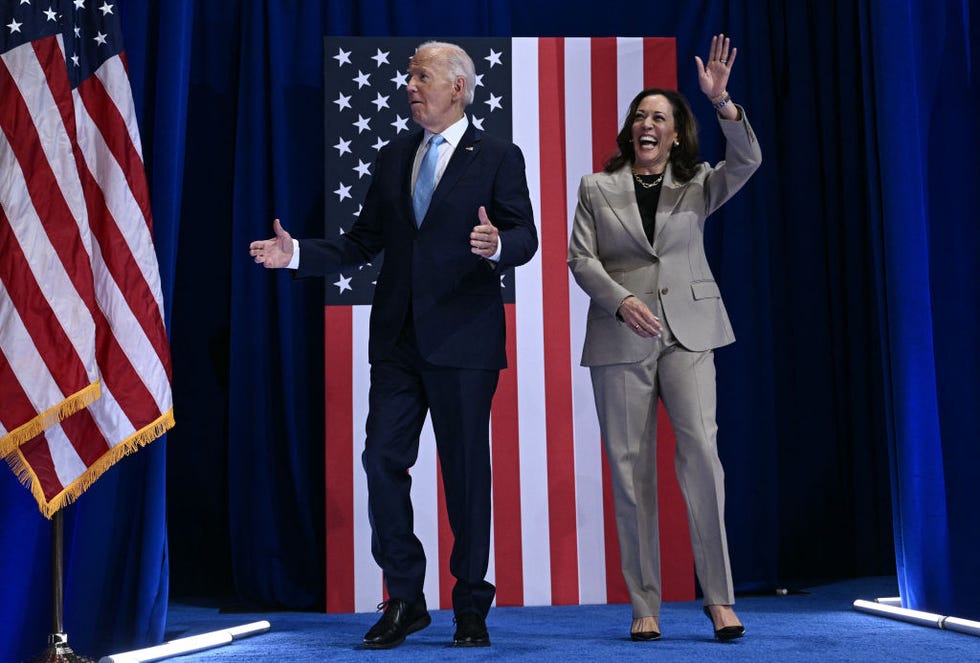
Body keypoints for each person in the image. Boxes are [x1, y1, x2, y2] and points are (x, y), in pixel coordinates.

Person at [250, 41, 537, 649]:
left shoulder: (498, 156)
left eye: (421, 76)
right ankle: (405, 598)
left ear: (458, 87)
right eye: (409, 76)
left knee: (463, 475)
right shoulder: (394, 154)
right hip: (399, 340)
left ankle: (470, 604)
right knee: (381, 458)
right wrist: (297, 254)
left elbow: (524, 235)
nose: (409, 85)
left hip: (464, 340)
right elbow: (361, 242)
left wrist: (498, 246)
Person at [566, 34, 761, 642]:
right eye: (640, 115)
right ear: (630, 130)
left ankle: (720, 599)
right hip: (621, 337)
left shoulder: (698, 182)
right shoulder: (597, 187)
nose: (647, 123)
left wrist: (723, 102)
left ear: (676, 133)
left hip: (690, 333)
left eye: (660, 117)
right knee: (629, 472)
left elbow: (748, 160)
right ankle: (643, 605)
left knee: (702, 454)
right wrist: (621, 301)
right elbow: (580, 258)